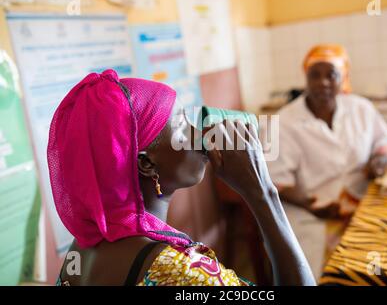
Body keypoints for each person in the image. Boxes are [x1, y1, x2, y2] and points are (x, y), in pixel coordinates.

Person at [48, 69, 315, 286]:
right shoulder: (179, 272)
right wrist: (263, 194)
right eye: (181, 126)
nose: (198, 133)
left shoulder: (82, 247)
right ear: (146, 163)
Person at [266, 44, 387, 276]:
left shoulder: (361, 108)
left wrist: (379, 160)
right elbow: (274, 182)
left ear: (344, 78)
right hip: (311, 216)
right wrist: (311, 204)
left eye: (331, 75)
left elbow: (385, 143)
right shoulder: (282, 123)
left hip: (364, 209)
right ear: (305, 78)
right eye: (314, 75)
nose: (323, 82)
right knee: (330, 276)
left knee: (384, 270)